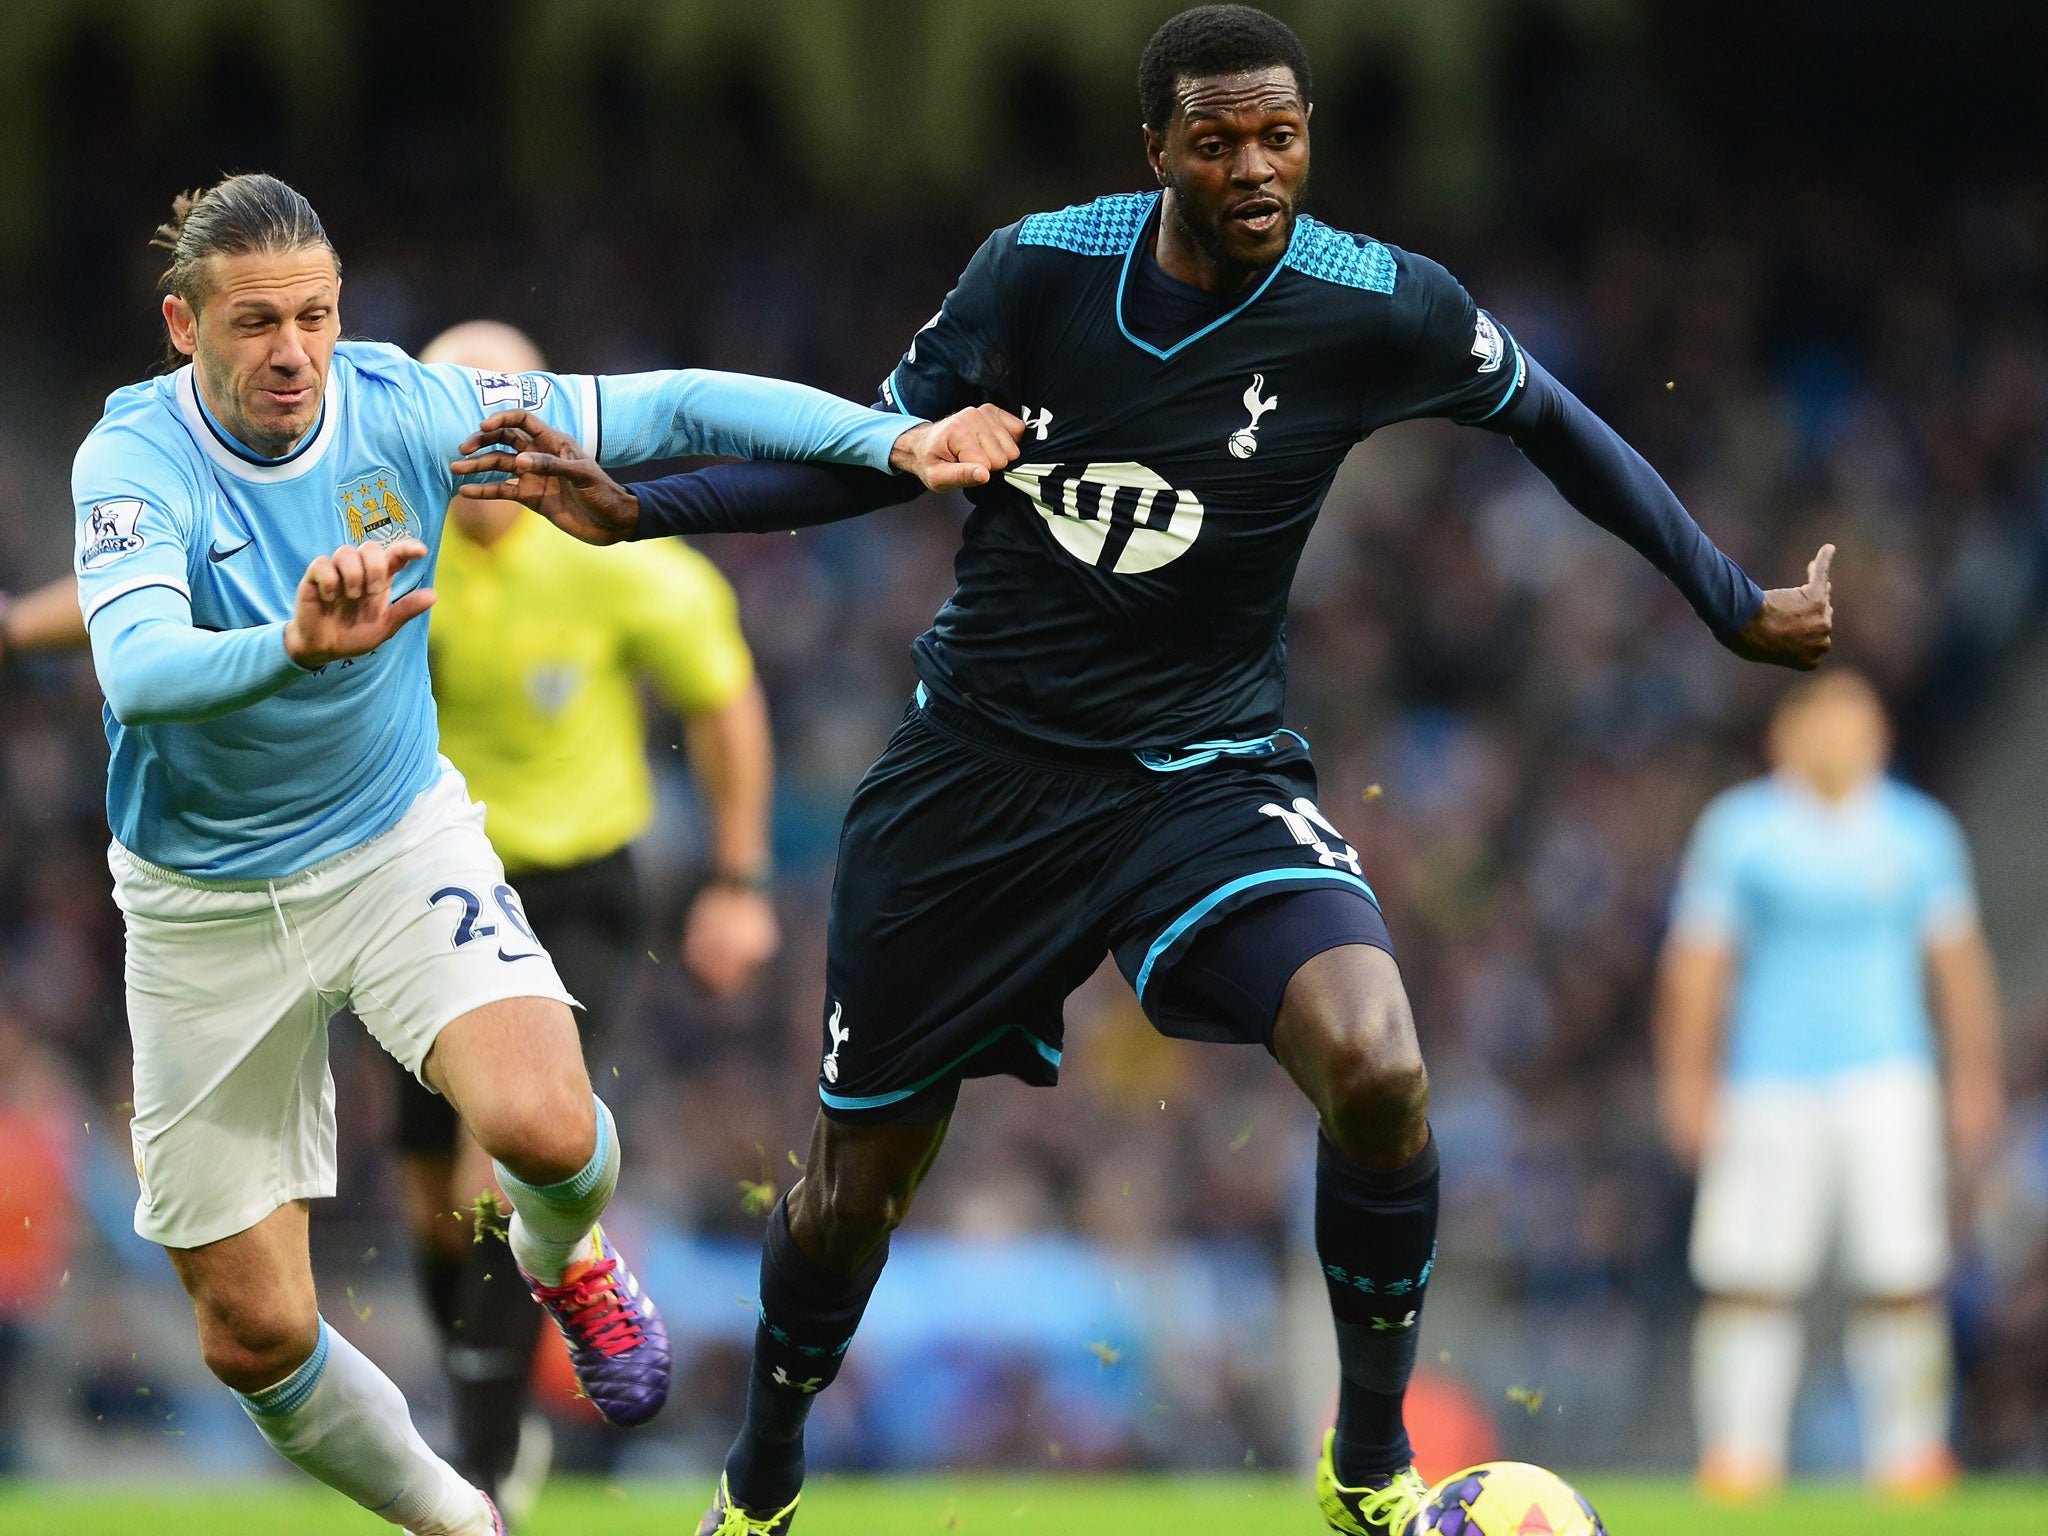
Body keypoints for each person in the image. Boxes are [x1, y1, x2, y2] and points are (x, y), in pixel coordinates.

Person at [458, 8, 1834, 1532]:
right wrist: (643, 508)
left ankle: (1368, 1467)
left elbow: (1559, 429)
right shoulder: (1038, 271)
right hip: (977, 778)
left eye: (1284, 135)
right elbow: (874, 450)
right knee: (856, 1196)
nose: (1258, 168)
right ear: (1160, 150)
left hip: (1206, 772)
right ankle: (766, 1480)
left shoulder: (1377, 303)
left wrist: (1731, 598)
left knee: (1380, 1065)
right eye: (1221, 139)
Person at [72, 171, 1014, 1536]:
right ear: (183, 326)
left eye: (316, 319)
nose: (292, 353)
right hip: (200, 905)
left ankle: (565, 1255)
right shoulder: (134, 459)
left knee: (547, 1131)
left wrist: (893, 441)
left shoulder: (405, 407)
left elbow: (671, 404)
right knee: (251, 1333)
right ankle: (464, 1519)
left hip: (393, 841)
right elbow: (141, 667)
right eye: (256, 323)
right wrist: (288, 643)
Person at [399, 319, 780, 1523]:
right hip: (413, 887)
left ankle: (480, 1474)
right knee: (429, 1201)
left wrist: (738, 878)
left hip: (572, 891)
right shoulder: (385, 544)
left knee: (498, 1165)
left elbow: (720, 700)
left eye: (500, 427)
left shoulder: (611, 546)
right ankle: (490, 1423)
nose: (481, 459)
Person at [1656, 670, 2004, 1500]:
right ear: (1787, 735)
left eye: (1857, 722)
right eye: (1824, 721)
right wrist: (1687, 1081)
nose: (1841, 738)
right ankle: (1739, 1459)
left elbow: (1958, 968)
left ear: (1879, 737)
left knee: (1902, 1277)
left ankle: (1911, 1455)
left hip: (1888, 1079)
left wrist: (1975, 1080)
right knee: (1750, 1278)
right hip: (1768, 1084)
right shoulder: (1741, 832)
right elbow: (1698, 967)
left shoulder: (1920, 834)